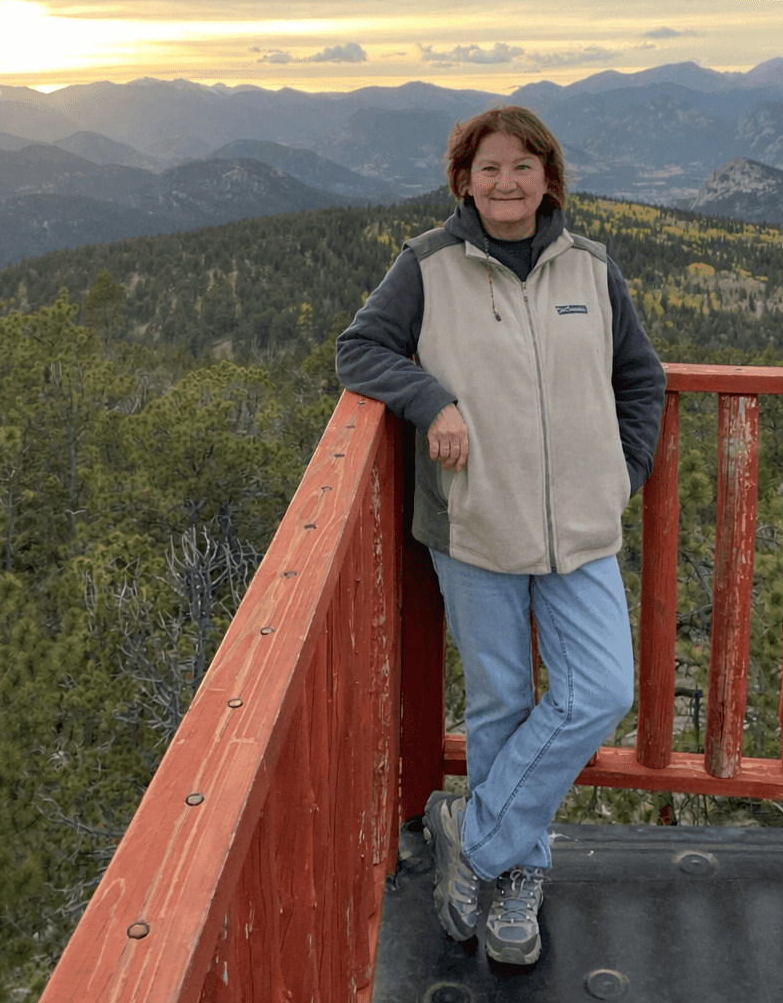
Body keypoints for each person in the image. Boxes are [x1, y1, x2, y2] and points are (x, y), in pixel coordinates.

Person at [335, 105, 665, 967]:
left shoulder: (590, 266)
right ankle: (520, 877)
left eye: (523, 166)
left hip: (581, 532)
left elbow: (641, 376)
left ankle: (473, 840)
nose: (506, 182)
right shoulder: (428, 265)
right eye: (489, 169)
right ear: (463, 181)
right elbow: (360, 349)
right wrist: (432, 401)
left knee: (599, 691)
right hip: (476, 522)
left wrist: (620, 473)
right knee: (501, 706)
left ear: (548, 178)